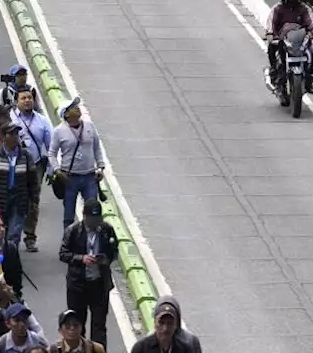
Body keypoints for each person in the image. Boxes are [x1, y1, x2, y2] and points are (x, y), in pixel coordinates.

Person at [59, 199, 118, 348]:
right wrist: (81, 258)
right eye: (92, 219)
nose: (95, 223)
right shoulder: (73, 231)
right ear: (84, 216)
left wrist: (106, 259)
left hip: (99, 283)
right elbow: (63, 253)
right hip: (78, 285)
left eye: (97, 219)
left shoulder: (106, 230)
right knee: (77, 324)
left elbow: (114, 251)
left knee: (99, 325)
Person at [48, 98, 104, 230]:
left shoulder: (89, 126)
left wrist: (101, 167)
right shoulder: (59, 131)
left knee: (93, 212)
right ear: (66, 114)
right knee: (69, 214)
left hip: (90, 176)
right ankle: (68, 243)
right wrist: (57, 171)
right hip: (69, 178)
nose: (77, 108)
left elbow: (96, 148)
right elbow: (51, 153)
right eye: (73, 107)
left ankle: (91, 240)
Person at [10, 90, 50, 252]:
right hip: (14, 165)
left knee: (33, 202)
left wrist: (54, 169)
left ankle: (30, 237)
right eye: (23, 98)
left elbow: (51, 146)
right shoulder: (10, 118)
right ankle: (11, 236)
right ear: (16, 101)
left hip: (36, 166)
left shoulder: (42, 121)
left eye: (30, 98)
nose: (27, 101)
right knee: (13, 199)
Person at [265, 0, 313, 98]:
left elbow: (310, 21)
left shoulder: (304, 9)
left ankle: (308, 81)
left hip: (300, 41)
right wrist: (270, 33)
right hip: (283, 41)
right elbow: (271, 21)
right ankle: (276, 78)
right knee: (272, 49)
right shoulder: (278, 8)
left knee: (312, 56)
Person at [129, 297, 200, 353]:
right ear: (155, 322)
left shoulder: (187, 348)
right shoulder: (141, 348)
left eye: (170, 323)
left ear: (176, 325)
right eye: (161, 322)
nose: (165, 328)